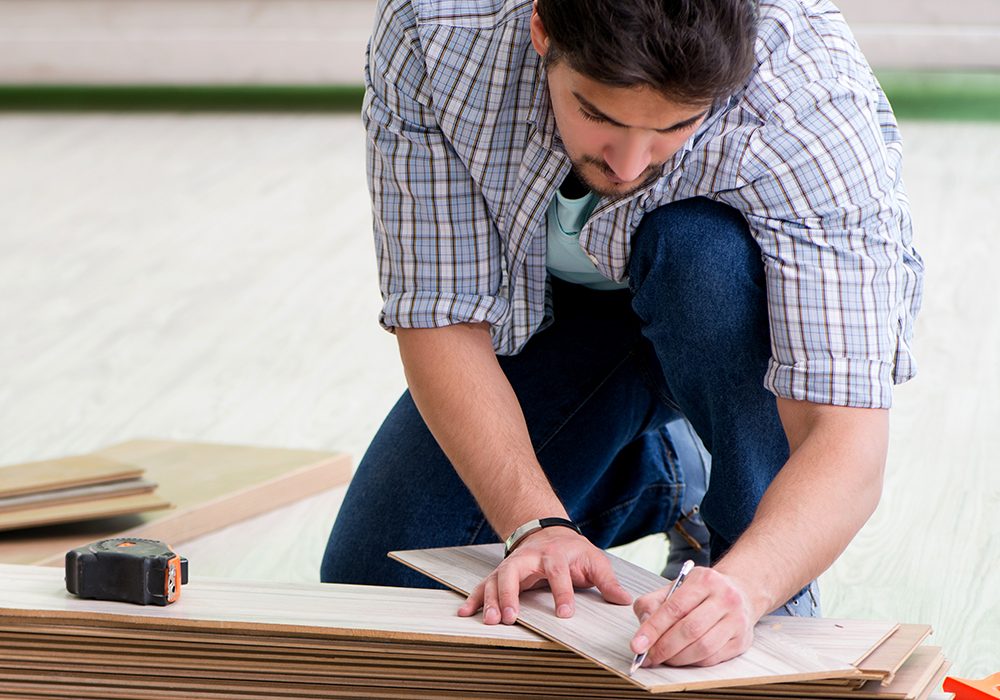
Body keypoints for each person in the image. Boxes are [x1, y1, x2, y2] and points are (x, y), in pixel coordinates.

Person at [321, 0, 923, 669]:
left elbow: (843, 436)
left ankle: (745, 543)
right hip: (563, 318)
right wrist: (536, 527)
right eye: (599, 116)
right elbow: (442, 320)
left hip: (721, 308)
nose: (631, 165)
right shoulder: (435, 30)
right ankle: (667, 475)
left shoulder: (806, 97)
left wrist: (746, 592)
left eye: (675, 126)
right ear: (542, 29)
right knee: (382, 588)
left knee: (700, 256)